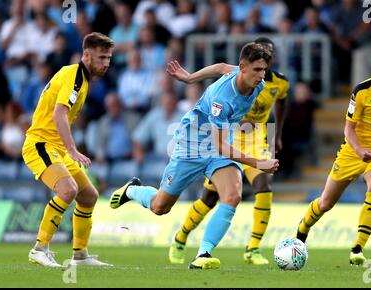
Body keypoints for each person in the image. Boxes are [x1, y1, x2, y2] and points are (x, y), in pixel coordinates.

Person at [109, 42, 278, 269]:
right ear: (243, 67)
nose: (261, 75)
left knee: (232, 196)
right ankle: (132, 190)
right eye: (257, 70)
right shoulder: (222, 98)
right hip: (192, 144)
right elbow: (220, 147)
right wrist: (259, 162)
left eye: (264, 69)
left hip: (220, 142)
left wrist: (190, 78)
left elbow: (219, 67)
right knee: (160, 206)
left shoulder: (253, 81)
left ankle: (203, 255)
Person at [167, 37, 289, 265]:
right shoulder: (237, 79)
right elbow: (221, 67)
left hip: (255, 137)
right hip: (226, 135)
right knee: (209, 198)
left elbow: (282, 103)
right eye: (259, 63)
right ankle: (181, 236)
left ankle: (253, 248)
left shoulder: (278, 83)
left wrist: (276, 135)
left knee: (263, 186)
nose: (263, 70)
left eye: (267, 62)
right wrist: (191, 78)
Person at [294, 50, 371, 265]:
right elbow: (348, 129)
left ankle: (357, 249)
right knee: (325, 203)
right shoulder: (361, 91)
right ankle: (301, 232)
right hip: (353, 151)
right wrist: (360, 150)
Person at [22, 32, 115, 267]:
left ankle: (80, 255)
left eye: (109, 58)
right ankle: (39, 248)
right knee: (68, 190)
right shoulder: (74, 76)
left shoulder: (81, 79)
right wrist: (72, 150)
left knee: (89, 195)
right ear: (86, 55)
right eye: (102, 57)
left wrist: (67, 149)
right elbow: (59, 113)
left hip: (57, 147)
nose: (106, 63)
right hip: (40, 144)